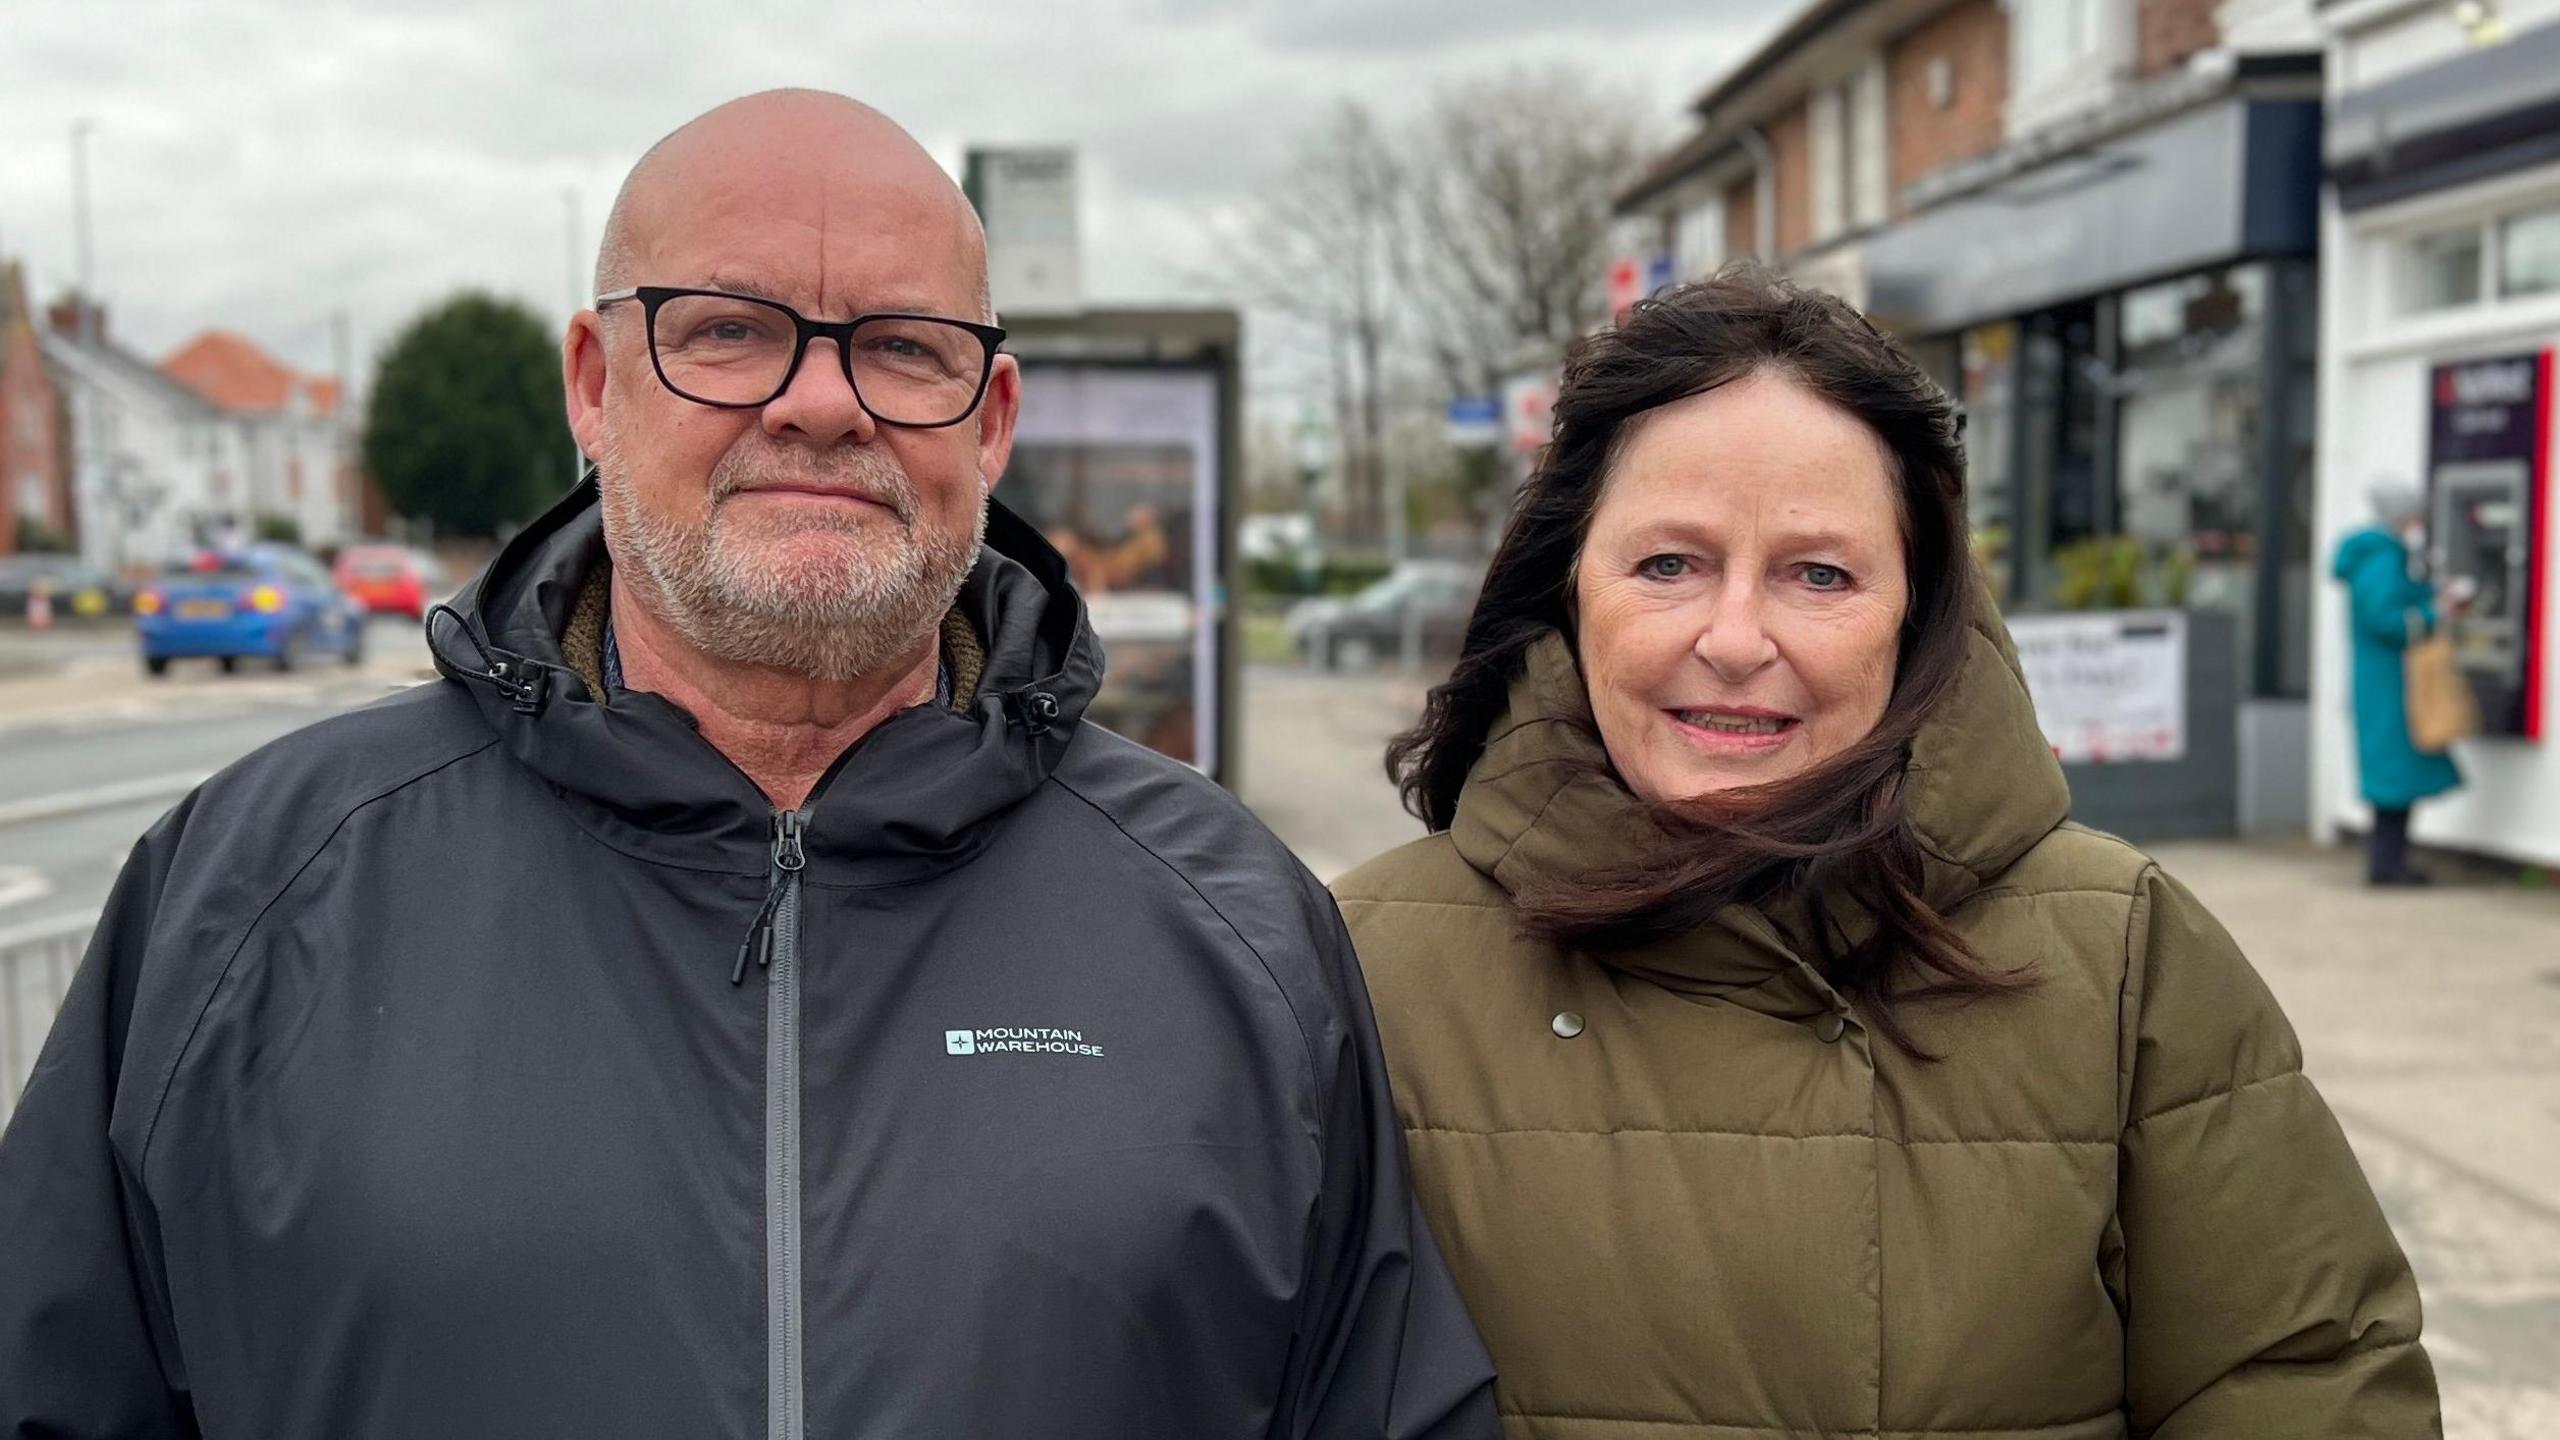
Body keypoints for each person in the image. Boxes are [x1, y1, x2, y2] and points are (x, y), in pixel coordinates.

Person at [0, 90, 1495, 1439]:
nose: (822, 401)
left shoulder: (1234, 922)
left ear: (993, 422)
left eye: (905, 347)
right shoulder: (248, 894)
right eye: (726, 328)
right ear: (594, 384)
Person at [1334, 269, 2440, 1438]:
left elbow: (2302, 1378)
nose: (1734, 638)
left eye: (1819, 574)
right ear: (1567, 587)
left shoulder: (2118, 954)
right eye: (1669, 564)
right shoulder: (1360, 967)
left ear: (1918, 615)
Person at [2334, 484, 2465, 885]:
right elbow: (2386, 618)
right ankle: (2388, 865)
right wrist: (2437, 611)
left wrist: (2428, 599)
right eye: (2415, 514)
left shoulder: (2376, 555)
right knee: (2393, 774)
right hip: (2390, 684)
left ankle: (2390, 861)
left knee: (2393, 772)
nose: (2419, 522)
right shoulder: (2382, 557)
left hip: (2383, 681)